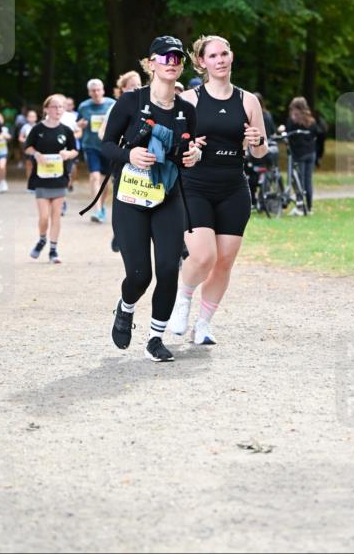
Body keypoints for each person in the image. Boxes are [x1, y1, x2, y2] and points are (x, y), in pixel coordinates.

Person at [100, 36, 199, 362]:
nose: (171, 62)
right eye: (165, 57)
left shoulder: (185, 109)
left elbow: (188, 150)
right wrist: (131, 155)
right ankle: (126, 307)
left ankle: (156, 338)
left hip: (167, 197)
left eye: (177, 58)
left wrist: (194, 154)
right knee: (141, 275)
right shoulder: (131, 101)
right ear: (151, 63)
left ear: (181, 66)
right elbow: (106, 146)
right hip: (131, 198)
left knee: (169, 268)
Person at [168, 34, 267, 345]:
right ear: (202, 63)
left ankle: (204, 324)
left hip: (233, 186)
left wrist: (257, 142)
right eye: (212, 56)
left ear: (232, 57)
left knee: (224, 260)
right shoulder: (190, 101)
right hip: (194, 185)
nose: (220, 60)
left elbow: (261, 151)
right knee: (203, 255)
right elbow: (174, 145)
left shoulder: (248, 101)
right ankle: (183, 299)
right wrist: (189, 144)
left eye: (224, 54)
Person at [23, 94, 78, 264]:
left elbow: (75, 151)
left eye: (61, 107)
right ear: (46, 109)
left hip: (59, 178)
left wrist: (67, 154)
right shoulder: (38, 129)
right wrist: (37, 154)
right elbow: (27, 148)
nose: (58, 110)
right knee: (44, 216)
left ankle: (53, 250)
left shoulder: (66, 131)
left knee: (56, 216)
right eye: (54, 107)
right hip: (41, 178)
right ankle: (41, 239)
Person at [98, 71, 143, 252]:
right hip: (122, 160)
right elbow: (103, 133)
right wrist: (120, 148)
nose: (136, 88)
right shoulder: (116, 106)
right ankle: (119, 233)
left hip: (142, 159)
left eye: (139, 84)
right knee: (123, 198)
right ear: (123, 88)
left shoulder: (147, 103)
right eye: (132, 85)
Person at [77, 79, 115, 224]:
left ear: (103, 90)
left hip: (107, 146)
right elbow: (77, 125)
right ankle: (97, 210)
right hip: (90, 146)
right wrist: (79, 125)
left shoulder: (111, 104)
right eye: (93, 90)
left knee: (105, 181)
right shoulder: (83, 107)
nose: (96, 92)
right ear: (89, 92)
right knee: (94, 177)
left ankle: (101, 206)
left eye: (98, 89)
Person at [282, 97, 318, 215]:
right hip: (311, 153)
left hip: (298, 154)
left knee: (298, 181)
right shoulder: (311, 121)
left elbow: (287, 135)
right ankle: (309, 206)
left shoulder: (292, 120)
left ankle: (300, 206)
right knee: (308, 181)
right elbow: (315, 135)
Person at [0, 110, 11, 192]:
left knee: (2, 166)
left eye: (1, 118)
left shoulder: (5, 129)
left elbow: (9, 137)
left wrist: (3, 136)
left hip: (3, 151)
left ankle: (3, 181)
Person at [19, 109, 38, 182]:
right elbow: (20, 137)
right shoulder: (25, 127)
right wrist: (26, 141)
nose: (32, 118)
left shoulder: (38, 126)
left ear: (36, 118)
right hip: (27, 149)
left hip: (36, 149)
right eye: (30, 116)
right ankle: (29, 182)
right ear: (27, 118)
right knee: (28, 165)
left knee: (36, 166)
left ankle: (35, 182)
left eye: (33, 116)